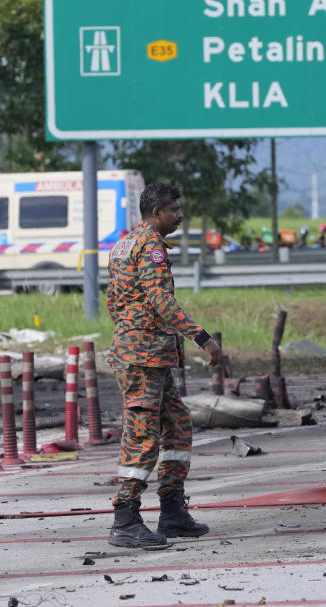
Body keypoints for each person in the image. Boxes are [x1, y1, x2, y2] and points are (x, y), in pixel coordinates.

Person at [105, 182, 222, 549]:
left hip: (145, 352)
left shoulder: (123, 245)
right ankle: (125, 518)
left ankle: (172, 509)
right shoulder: (151, 246)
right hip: (142, 357)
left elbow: (113, 302)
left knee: (177, 423)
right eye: (174, 209)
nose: (180, 215)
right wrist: (201, 336)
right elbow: (161, 302)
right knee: (142, 436)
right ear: (156, 213)